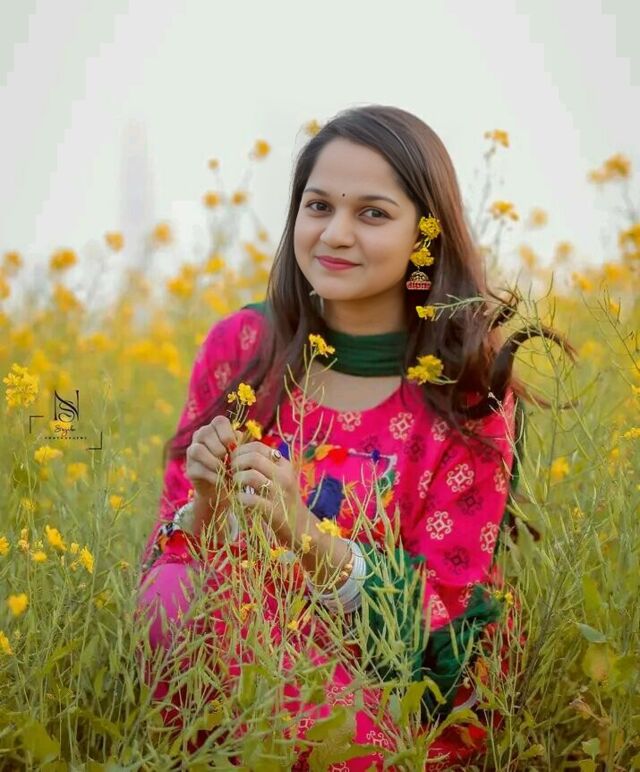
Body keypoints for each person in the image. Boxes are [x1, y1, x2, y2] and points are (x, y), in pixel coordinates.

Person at [135, 104, 571, 769]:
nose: (335, 234)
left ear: (425, 236)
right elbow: (163, 575)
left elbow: (445, 616)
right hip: (240, 665)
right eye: (318, 207)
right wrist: (206, 508)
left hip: (393, 700)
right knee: (173, 593)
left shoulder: (467, 387)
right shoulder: (244, 348)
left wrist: (304, 536)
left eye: (372, 213)